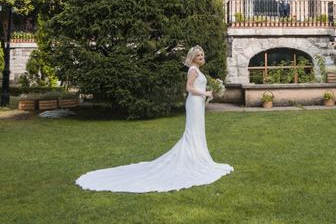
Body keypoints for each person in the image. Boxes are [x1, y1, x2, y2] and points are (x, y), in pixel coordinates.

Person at [75, 46, 233, 193]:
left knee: (198, 130)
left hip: (198, 103)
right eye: (198, 55)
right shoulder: (192, 70)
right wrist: (204, 93)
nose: (201, 57)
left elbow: (197, 87)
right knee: (192, 130)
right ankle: (193, 157)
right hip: (193, 102)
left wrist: (209, 92)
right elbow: (189, 88)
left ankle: (199, 155)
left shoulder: (198, 70)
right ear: (192, 57)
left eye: (202, 55)